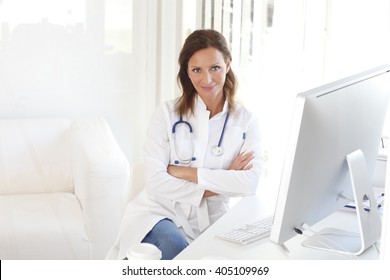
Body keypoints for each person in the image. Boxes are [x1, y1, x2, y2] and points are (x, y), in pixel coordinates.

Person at [115, 29, 263, 260]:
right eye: (197, 70)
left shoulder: (246, 120)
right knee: (174, 246)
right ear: (187, 72)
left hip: (213, 220)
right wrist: (225, 178)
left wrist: (186, 173)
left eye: (215, 68)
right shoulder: (166, 114)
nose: (207, 79)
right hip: (159, 213)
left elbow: (250, 183)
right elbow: (155, 183)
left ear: (227, 63)